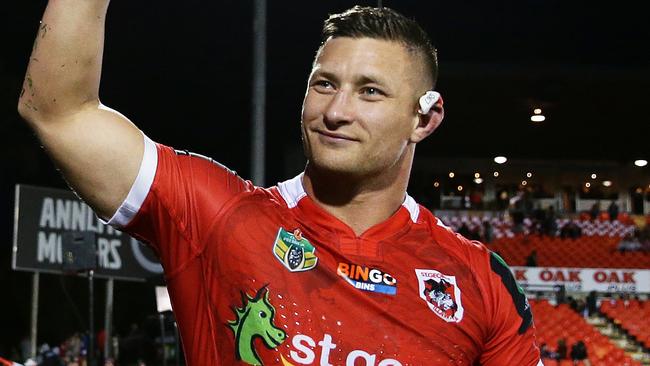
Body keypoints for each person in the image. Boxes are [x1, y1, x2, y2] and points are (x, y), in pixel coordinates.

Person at [18, 3, 541, 365]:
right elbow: (59, 111)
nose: (336, 111)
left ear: (423, 120)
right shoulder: (218, 216)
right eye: (324, 84)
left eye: (370, 92)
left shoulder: (480, 282)